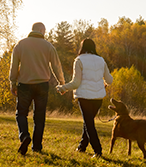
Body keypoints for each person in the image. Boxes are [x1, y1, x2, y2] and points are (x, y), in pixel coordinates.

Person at [9, 22, 65, 155]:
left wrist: (12, 82)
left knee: (21, 113)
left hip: (24, 84)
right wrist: (61, 82)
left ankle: (24, 136)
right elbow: (56, 66)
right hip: (42, 85)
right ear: (42, 30)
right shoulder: (48, 46)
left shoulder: (21, 44)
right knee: (39, 117)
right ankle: (37, 146)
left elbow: (14, 65)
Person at [56, 38, 113, 158]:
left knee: (89, 124)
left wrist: (63, 88)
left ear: (82, 47)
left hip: (85, 97)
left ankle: (98, 151)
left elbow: (76, 83)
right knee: (88, 122)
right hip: (98, 98)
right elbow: (109, 80)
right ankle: (82, 146)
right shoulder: (101, 60)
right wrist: (103, 83)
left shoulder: (79, 60)